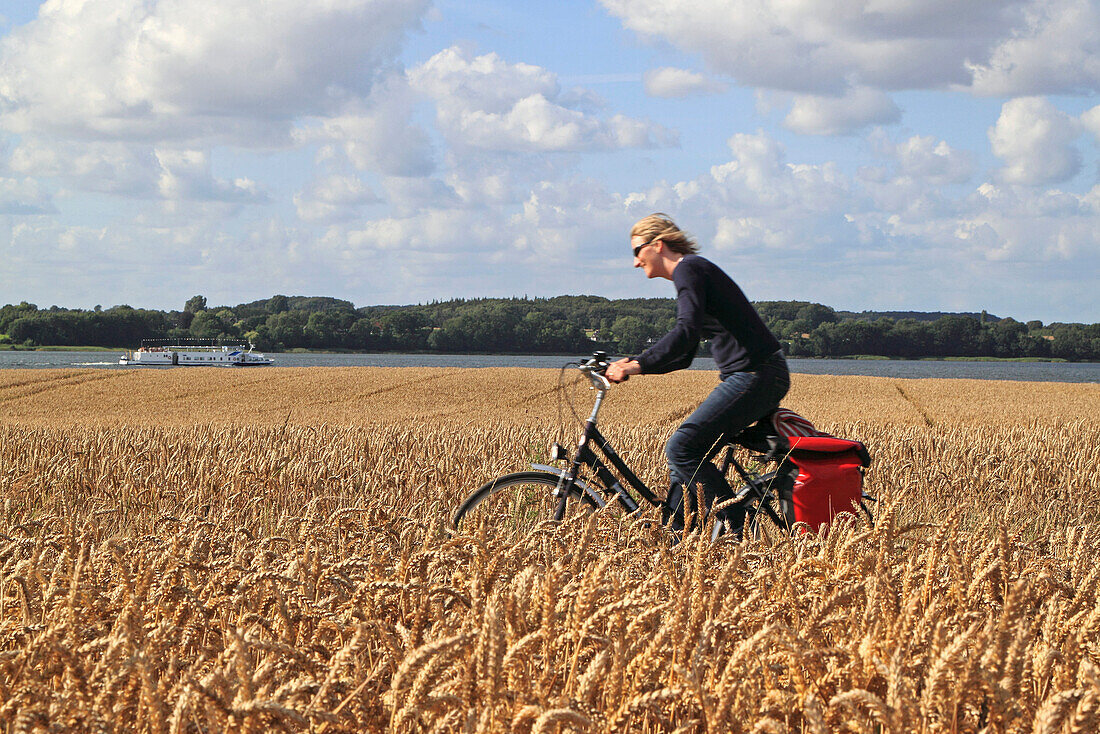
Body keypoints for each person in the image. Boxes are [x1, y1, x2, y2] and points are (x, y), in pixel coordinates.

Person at [605, 213, 789, 536]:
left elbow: (685, 332)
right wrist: (638, 362)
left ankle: (741, 532)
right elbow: (686, 355)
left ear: (657, 246)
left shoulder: (688, 270)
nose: (635, 263)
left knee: (681, 449)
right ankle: (675, 538)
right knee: (687, 463)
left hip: (756, 374)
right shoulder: (693, 271)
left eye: (636, 252)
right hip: (755, 374)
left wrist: (635, 365)